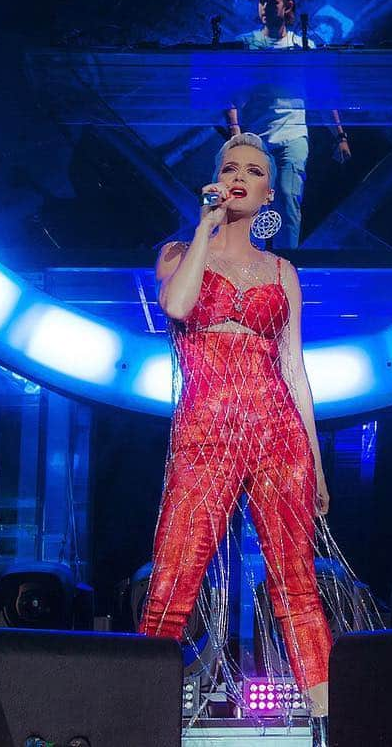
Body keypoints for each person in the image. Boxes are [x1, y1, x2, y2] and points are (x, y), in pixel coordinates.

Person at [138, 133, 333, 730]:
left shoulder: (282, 271)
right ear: (216, 181)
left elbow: (294, 368)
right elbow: (177, 306)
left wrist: (318, 464)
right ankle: (139, 715)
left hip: (278, 430)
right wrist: (206, 226)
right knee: (174, 582)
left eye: (254, 170)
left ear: (271, 193)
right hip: (206, 432)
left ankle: (334, 723)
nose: (241, 176)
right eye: (231, 168)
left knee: (297, 584)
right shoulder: (178, 252)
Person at [227, 0, 350, 249]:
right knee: (252, 203)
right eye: (261, 2)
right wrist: (235, 133)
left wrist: (340, 135)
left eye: (271, 2)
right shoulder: (247, 44)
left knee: (288, 197)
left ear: (287, 7)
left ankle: (287, 263)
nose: (264, 8)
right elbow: (229, 92)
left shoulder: (302, 45)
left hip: (293, 136)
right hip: (256, 140)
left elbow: (325, 95)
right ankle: (251, 263)